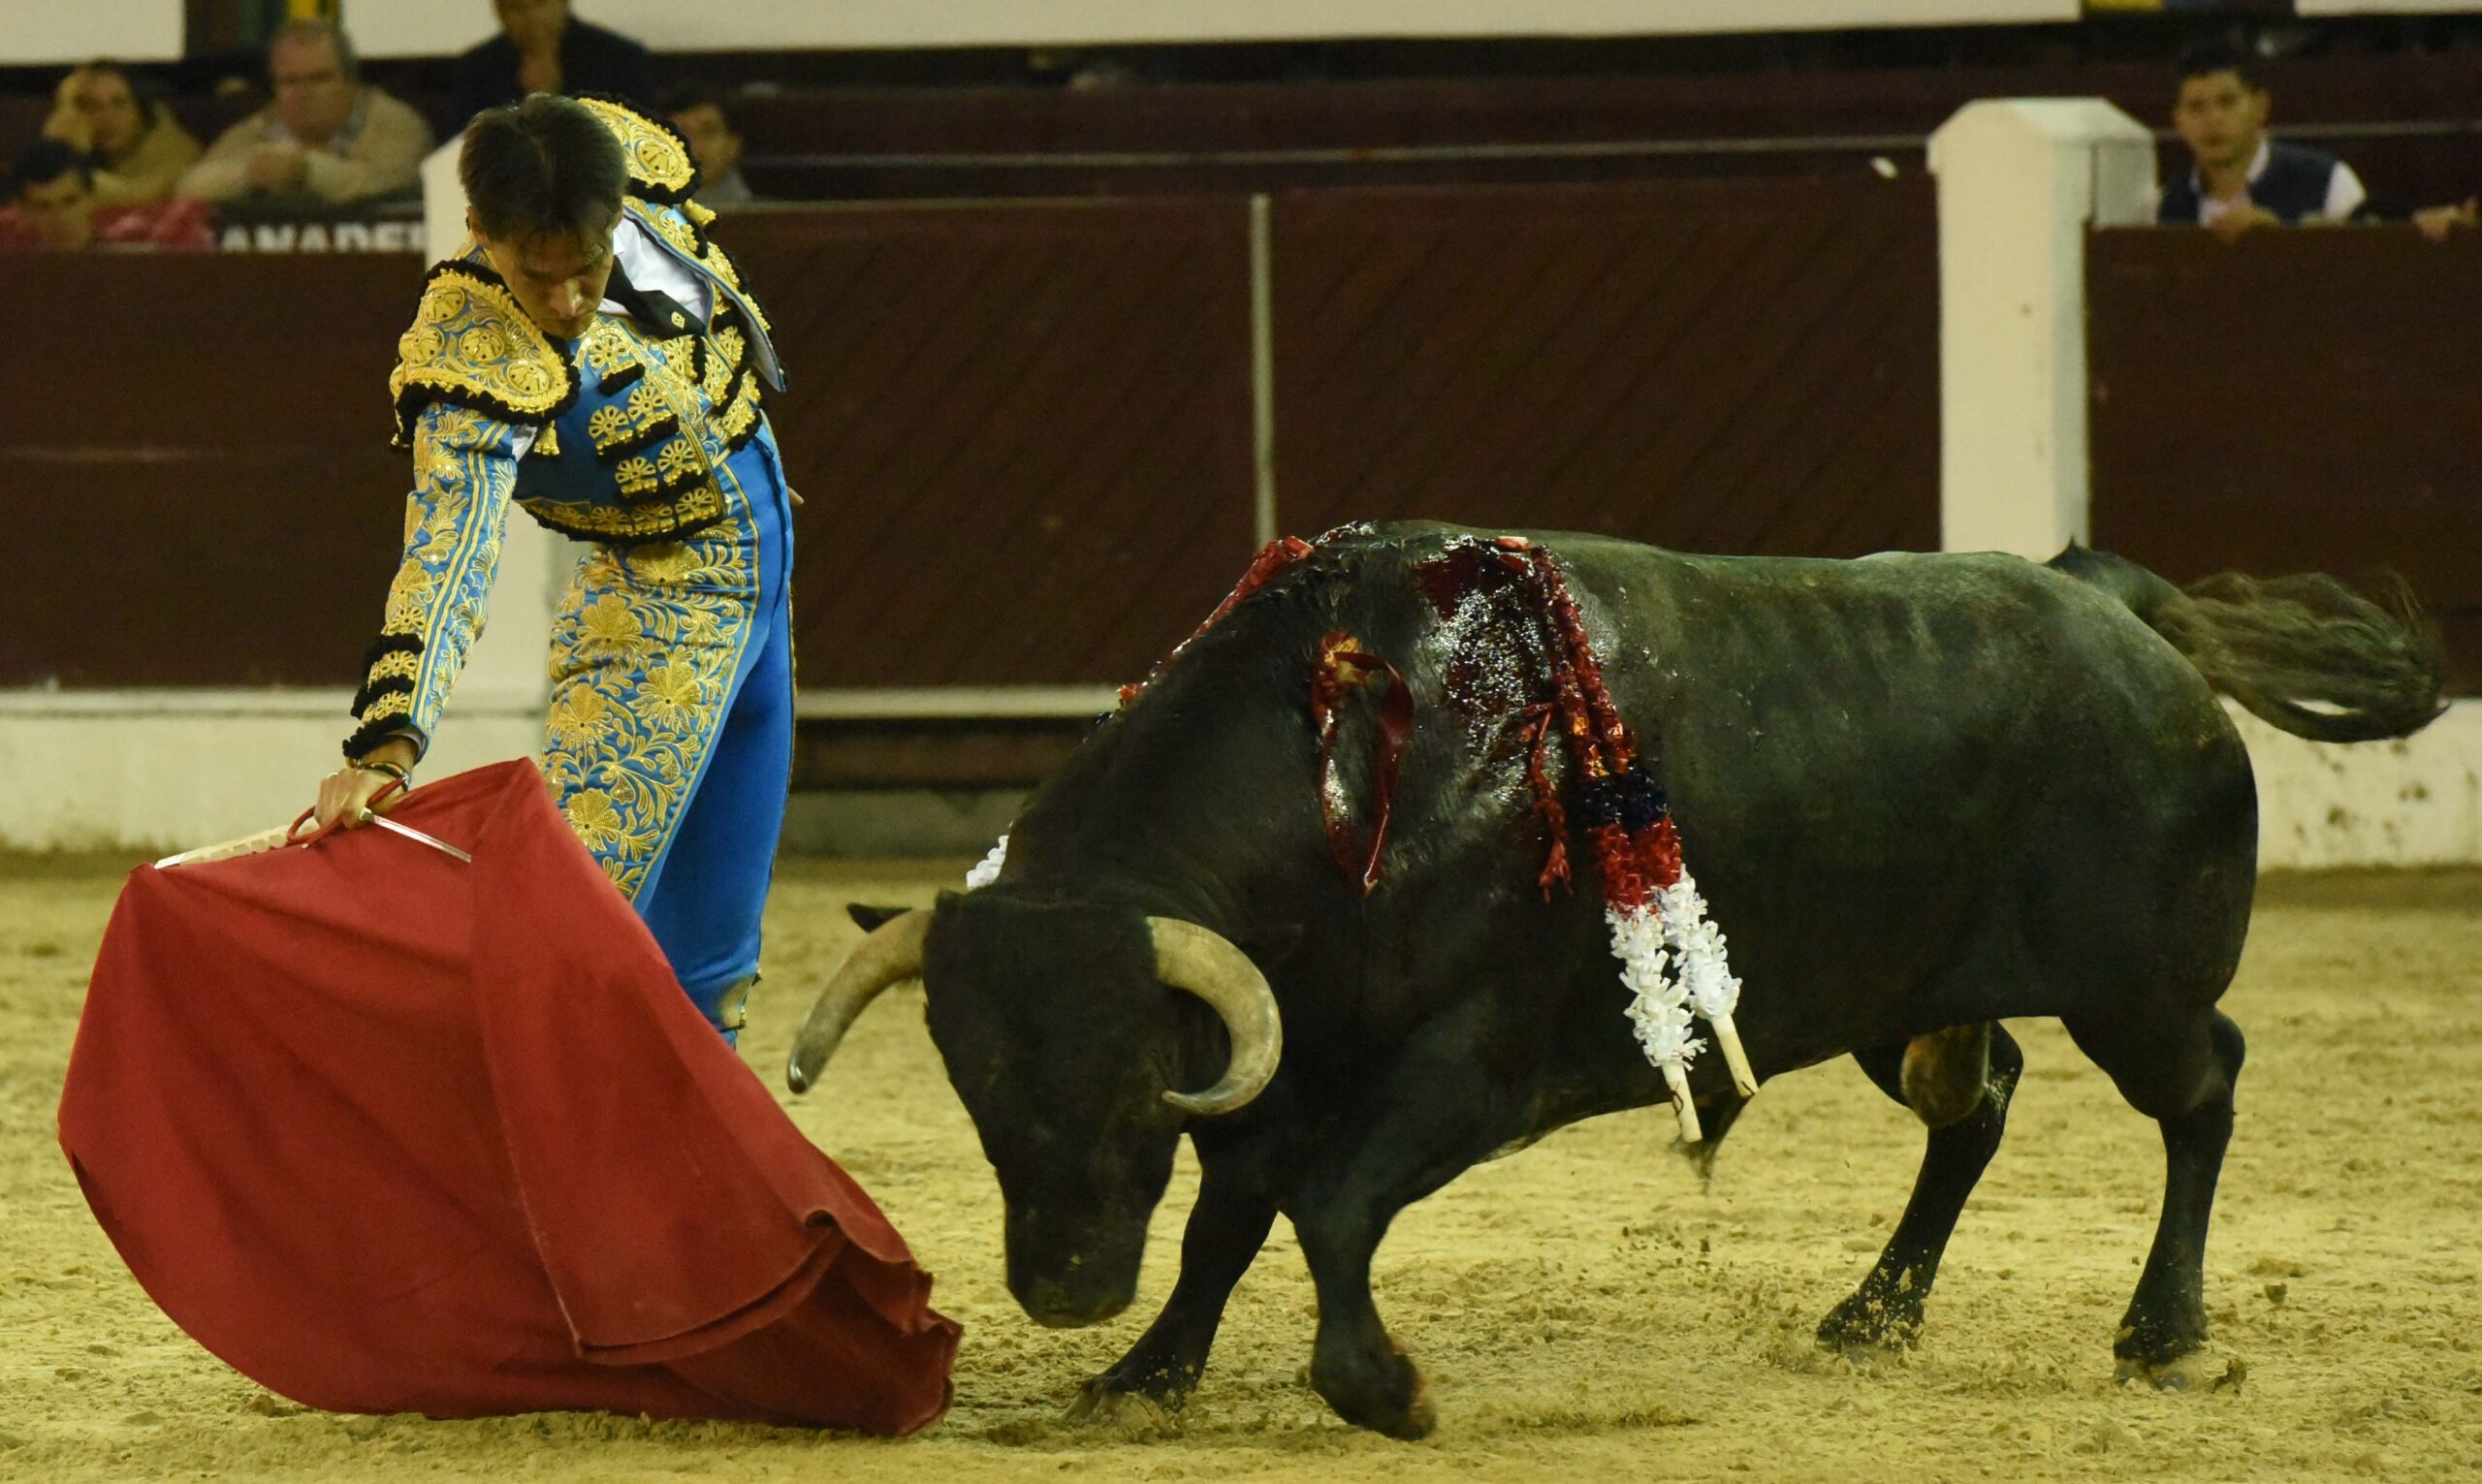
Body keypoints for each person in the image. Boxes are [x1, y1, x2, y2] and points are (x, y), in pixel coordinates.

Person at [315, 93, 794, 1038]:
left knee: (716, 969)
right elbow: (448, 556)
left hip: (767, 595)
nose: (571, 301)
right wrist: (387, 743)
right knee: (558, 933)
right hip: (659, 610)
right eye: (542, 280)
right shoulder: (469, 357)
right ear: (481, 233)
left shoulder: (623, 163)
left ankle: (691, 1184)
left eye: (587, 268)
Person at [175, 20, 432, 206]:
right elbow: (191, 187)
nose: (304, 92)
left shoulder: (394, 123)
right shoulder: (259, 127)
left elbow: (396, 181)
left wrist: (306, 171)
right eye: (290, 82)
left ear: (351, 81)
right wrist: (249, 174)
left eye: (319, 78)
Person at [2157, 40, 2368, 239]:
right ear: (2178, 121)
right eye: (2196, 107)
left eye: (2228, 102)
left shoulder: (2329, 182)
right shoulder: (2166, 205)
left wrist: (2279, 241)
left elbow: (2369, 269)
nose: (2212, 120)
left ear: (2260, 107)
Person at [454, 0, 657, 124]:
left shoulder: (619, 58)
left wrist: (552, 97)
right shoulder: (477, 68)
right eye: (516, 7)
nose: (532, 18)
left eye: (540, 3)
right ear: (499, 12)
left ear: (563, 4)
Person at [2, 139, 213, 252]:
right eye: (44, 207)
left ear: (90, 200)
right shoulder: (12, 275)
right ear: (23, 211)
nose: (61, 219)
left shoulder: (131, 264)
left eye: (71, 202)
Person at [42, 61, 200, 206]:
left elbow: (131, 197)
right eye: (93, 106)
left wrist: (71, 159)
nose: (107, 117)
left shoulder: (174, 149)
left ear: (139, 110)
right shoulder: (78, 133)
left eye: (119, 103)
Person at [662, 86, 755, 207]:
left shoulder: (774, 218)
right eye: (683, 134)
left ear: (734, 144)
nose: (696, 147)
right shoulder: (636, 220)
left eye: (709, 132)